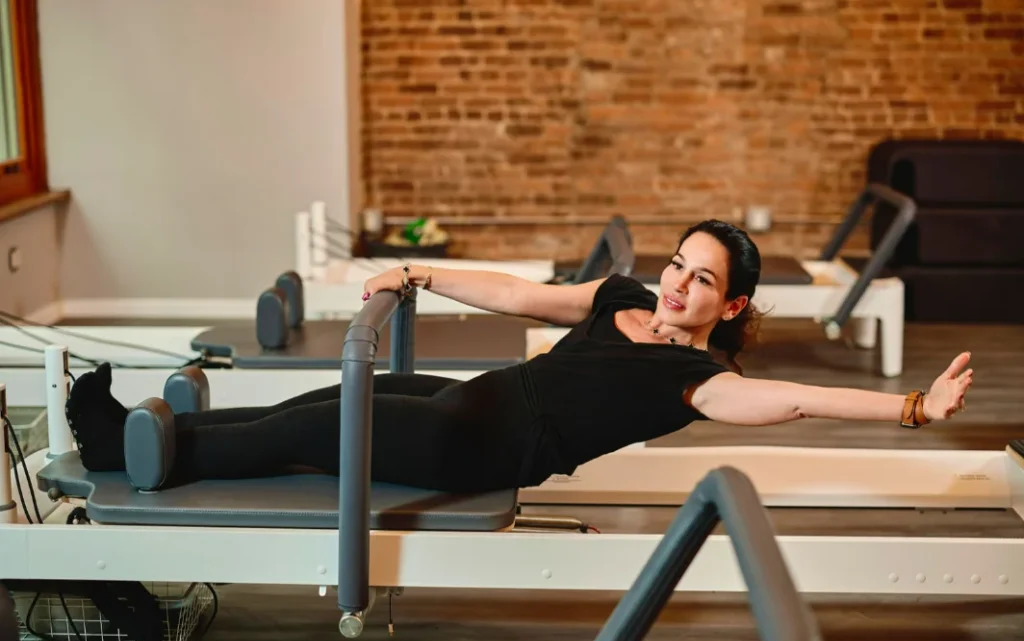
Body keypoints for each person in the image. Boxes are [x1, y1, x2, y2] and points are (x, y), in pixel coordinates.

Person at [64, 219, 974, 494]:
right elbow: (519, 294)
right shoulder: (622, 295)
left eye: (702, 281)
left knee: (318, 427)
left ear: (730, 304)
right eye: (677, 264)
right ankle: (159, 430)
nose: (677, 284)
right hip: (479, 396)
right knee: (309, 399)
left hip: (486, 448)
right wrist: (418, 271)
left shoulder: (702, 382)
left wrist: (911, 409)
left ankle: (129, 453)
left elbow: (797, 400)